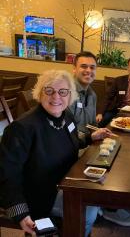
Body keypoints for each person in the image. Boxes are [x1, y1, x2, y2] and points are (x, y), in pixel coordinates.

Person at [0, 70, 112, 236]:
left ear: (70, 95)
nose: (56, 97)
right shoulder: (22, 128)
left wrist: (90, 137)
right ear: (40, 92)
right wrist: (20, 213)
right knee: (88, 207)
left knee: (96, 193)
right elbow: (7, 175)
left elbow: (71, 143)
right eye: (49, 90)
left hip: (64, 183)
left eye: (63, 92)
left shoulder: (66, 116)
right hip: (40, 196)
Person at [68, 51, 130, 227]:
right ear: (74, 68)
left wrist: (99, 132)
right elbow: (65, 134)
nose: (88, 71)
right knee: (115, 163)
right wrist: (90, 137)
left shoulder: (91, 94)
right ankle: (108, 207)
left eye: (92, 67)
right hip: (73, 147)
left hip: (87, 142)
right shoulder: (66, 93)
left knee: (122, 152)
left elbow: (91, 123)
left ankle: (109, 203)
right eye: (83, 66)